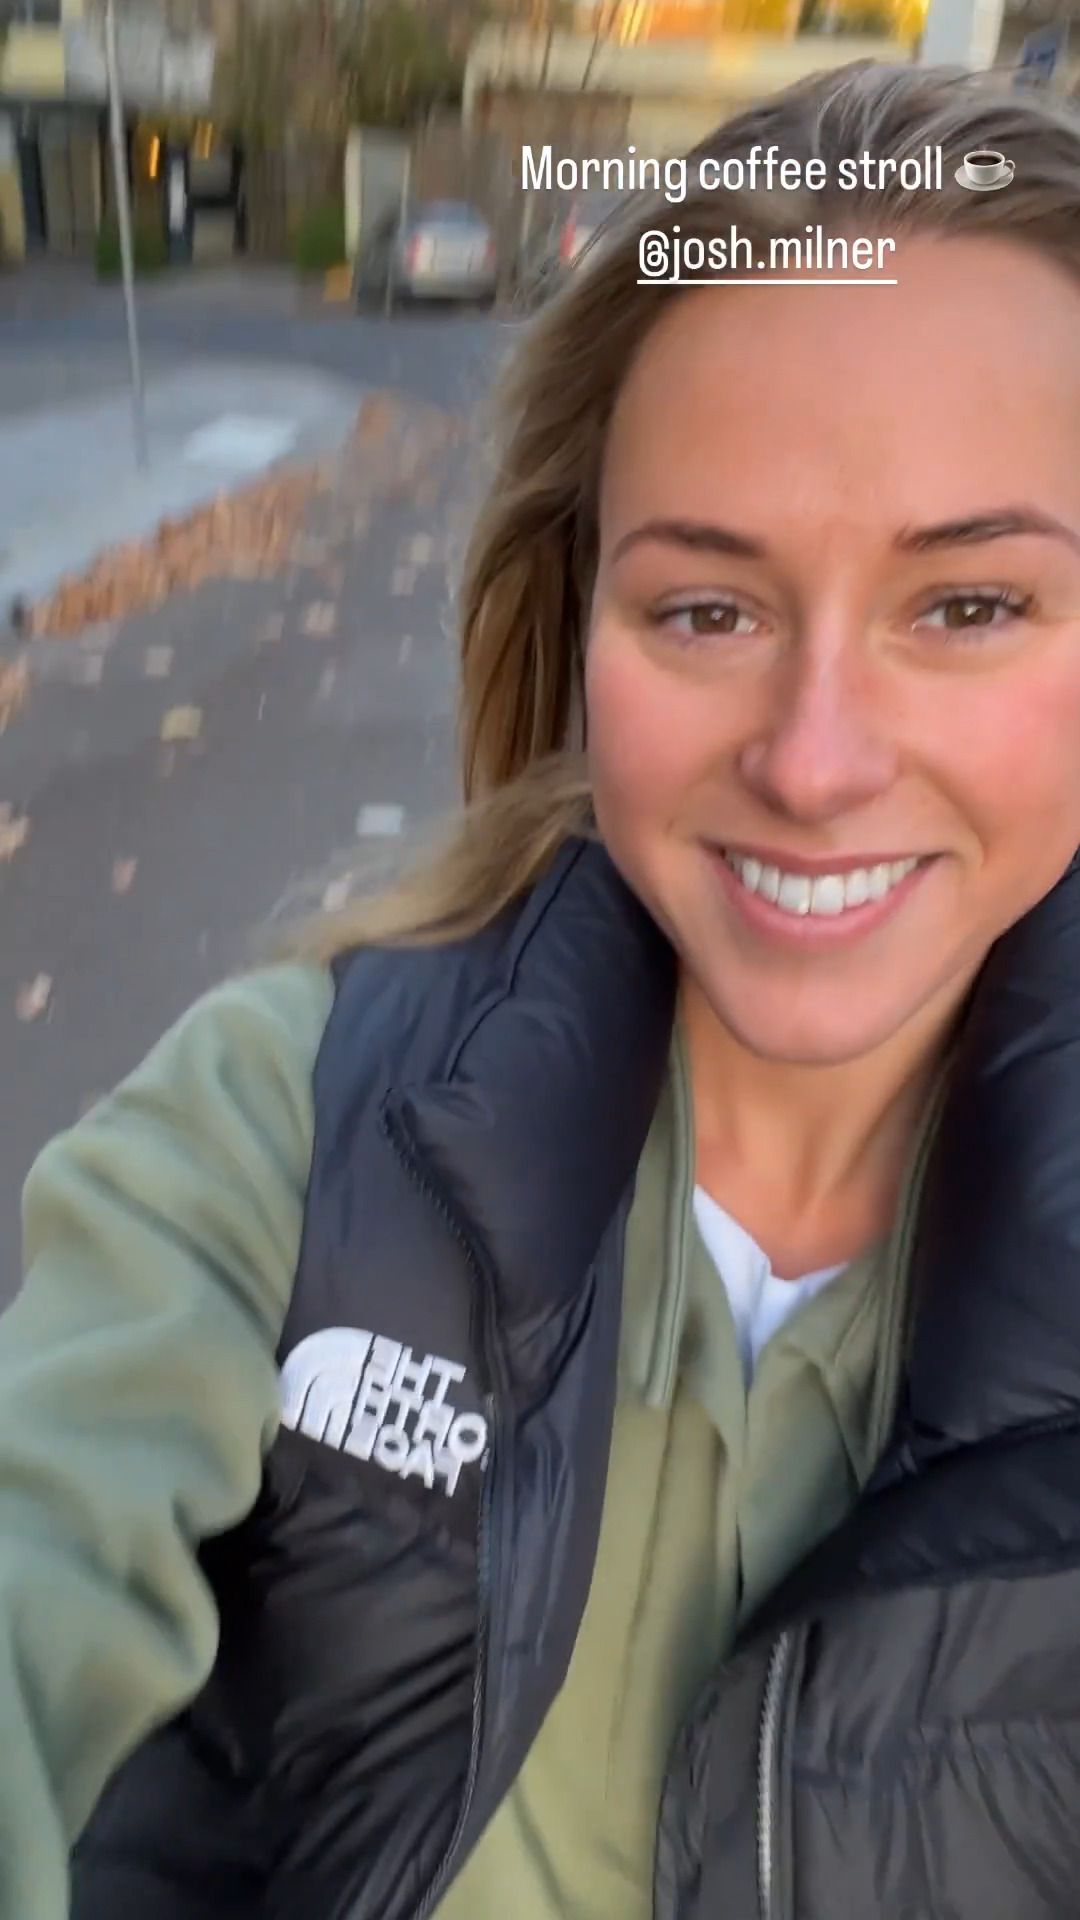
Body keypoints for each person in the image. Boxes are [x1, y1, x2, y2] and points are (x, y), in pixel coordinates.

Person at [3, 54, 1080, 1920]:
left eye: (969, 606)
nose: (816, 761)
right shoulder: (293, 1124)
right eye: (707, 609)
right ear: (576, 622)